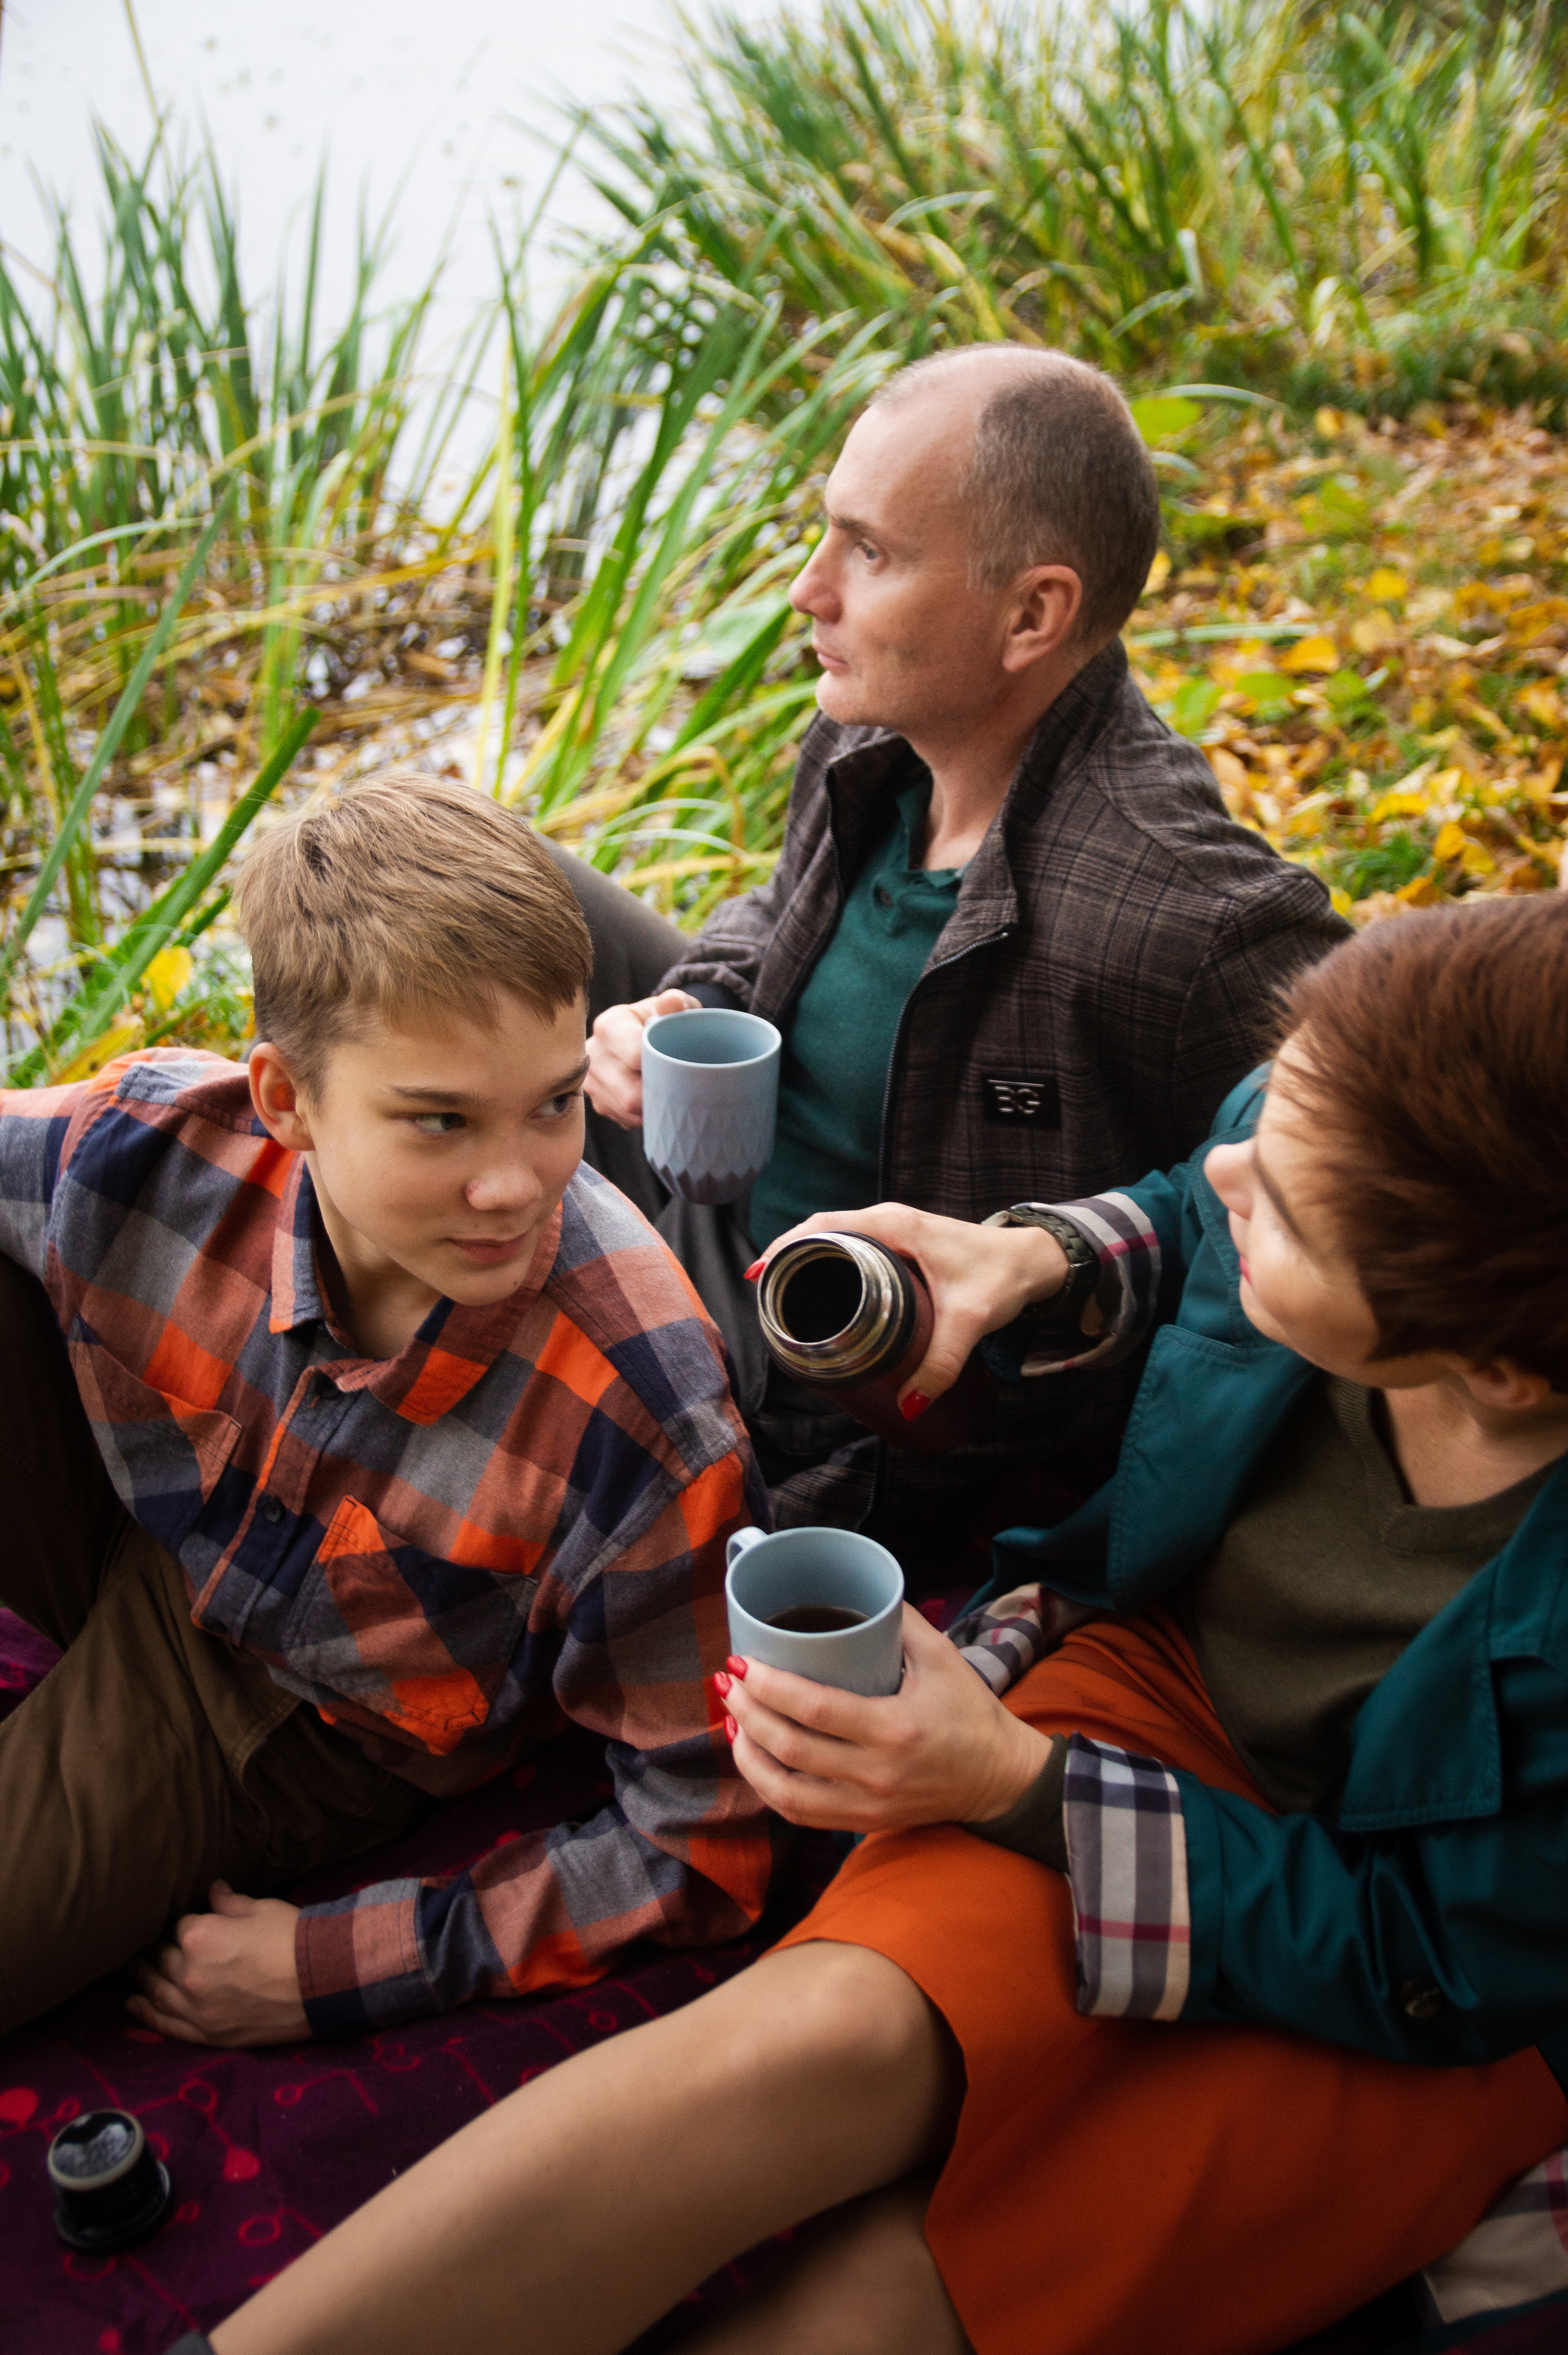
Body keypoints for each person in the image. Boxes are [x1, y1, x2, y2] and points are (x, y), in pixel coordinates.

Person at [175, 893, 1568, 2355]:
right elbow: (1188, 1197)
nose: (1233, 1164)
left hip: (1420, 1969)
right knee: (798, 2047)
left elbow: (1422, 1959)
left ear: (1495, 1366)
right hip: (1166, 1689)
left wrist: (1014, 1789)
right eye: (1263, 1119)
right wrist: (1039, 1254)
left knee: (903, 2300)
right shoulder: (1336, 1149)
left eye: (1283, 1206)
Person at [0, 772, 775, 2049]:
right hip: (143, 1509)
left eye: (551, 1103)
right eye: (439, 1122)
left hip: (277, 1706)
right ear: (283, 1099)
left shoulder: (645, 1412)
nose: (513, 1183)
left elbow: (698, 1844)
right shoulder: (144, 1148)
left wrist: (327, 1964)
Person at [570, 342, 1347, 1578]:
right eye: (825, 535)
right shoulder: (871, 735)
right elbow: (778, 906)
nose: (805, 591)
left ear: (1032, 614)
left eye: (869, 554)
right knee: (457, 859)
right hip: (715, 1190)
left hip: (851, 1399)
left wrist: (1057, 1250)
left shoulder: (1180, 911)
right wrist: (693, 999)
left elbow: (1359, 1146)